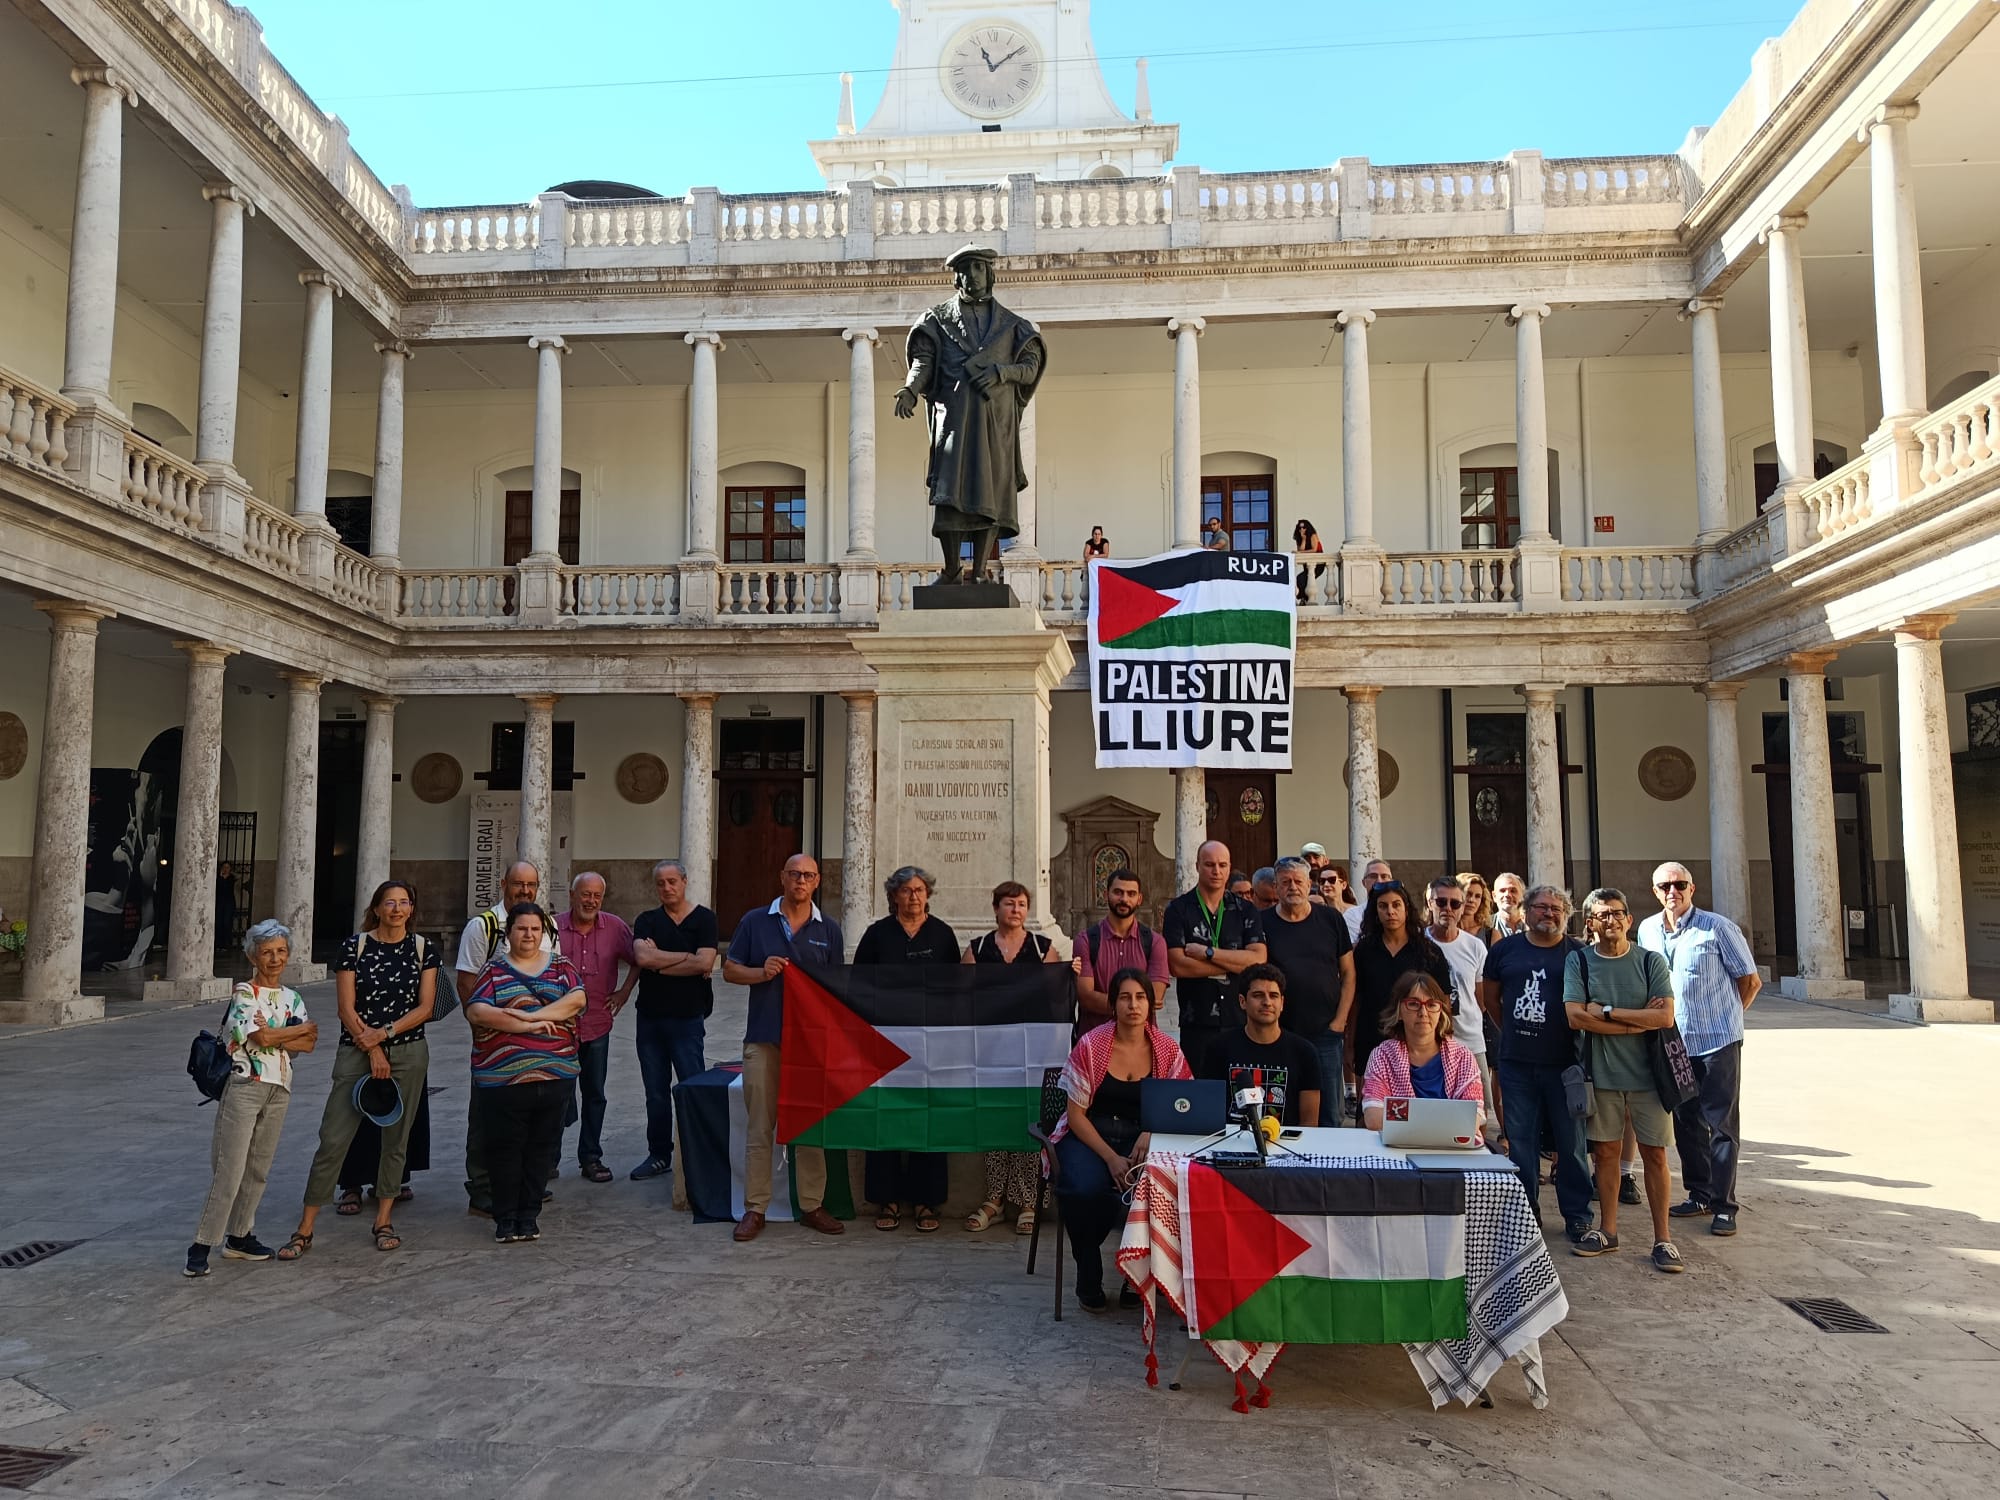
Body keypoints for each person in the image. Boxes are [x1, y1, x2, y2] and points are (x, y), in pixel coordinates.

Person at [277, 881, 439, 1262]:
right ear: (377, 908)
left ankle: (383, 1220)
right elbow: (345, 1008)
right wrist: (371, 1046)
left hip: (408, 1050)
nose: (397, 909)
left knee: (396, 1140)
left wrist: (382, 1036)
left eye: (404, 903)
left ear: (412, 909)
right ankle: (305, 1228)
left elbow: (426, 1007)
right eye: (390, 903)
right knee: (333, 1138)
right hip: (356, 1049)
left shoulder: (422, 949)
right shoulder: (355, 947)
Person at [892, 243, 1047, 584]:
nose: (970, 276)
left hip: (995, 424)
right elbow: (924, 361)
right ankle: (950, 569)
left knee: (989, 494)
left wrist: (1001, 373)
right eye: (963, 270)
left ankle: (978, 572)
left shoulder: (1013, 325)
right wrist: (911, 388)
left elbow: (1030, 366)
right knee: (950, 496)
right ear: (955, 277)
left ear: (990, 273)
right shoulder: (936, 320)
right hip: (954, 423)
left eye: (977, 268)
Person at [1050, 967, 1192, 1313]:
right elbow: (1076, 1115)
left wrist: (1149, 1131)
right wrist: (1112, 1157)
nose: (1133, 1005)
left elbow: (1182, 1106)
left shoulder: (1166, 1049)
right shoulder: (1092, 1045)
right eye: (1125, 998)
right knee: (1083, 1189)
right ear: (1113, 1004)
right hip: (1091, 1134)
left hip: (1144, 1136)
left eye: (1140, 997)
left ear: (1151, 1004)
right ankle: (1088, 1265)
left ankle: (1138, 1273)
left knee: (1160, 1186)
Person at [721, 853, 845, 1242]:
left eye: (808, 875)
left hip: (809, 1046)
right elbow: (729, 969)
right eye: (795, 874)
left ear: (818, 881)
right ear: (782, 878)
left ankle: (812, 1204)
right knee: (760, 1125)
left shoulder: (830, 929)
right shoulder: (755, 921)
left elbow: (836, 989)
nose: (801, 881)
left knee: (809, 1124)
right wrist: (762, 972)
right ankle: (754, 1208)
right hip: (764, 1037)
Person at [185, 920, 317, 1277]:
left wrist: (282, 1035)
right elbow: (258, 1038)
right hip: (245, 1086)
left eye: (280, 951)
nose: (275, 959)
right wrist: (292, 1031)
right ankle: (202, 1244)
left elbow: (309, 1042)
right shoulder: (244, 993)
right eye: (267, 952)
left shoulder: (293, 998)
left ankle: (240, 1236)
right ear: (252, 956)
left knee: (258, 1168)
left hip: (280, 1087)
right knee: (229, 1169)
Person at [1637, 861, 1760, 1238]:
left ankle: (1725, 1205)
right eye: (1664, 886)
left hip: (1717, 1040)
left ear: (1692, 888)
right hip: (1675, 1041)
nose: (1672, 891)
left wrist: (1727, 1017)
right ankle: (1700, 1192)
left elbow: (1750, 980)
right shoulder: (1647, 930)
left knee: (1721, 1124)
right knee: (1686, 1121)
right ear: (1655, 891)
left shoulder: (1718, 928)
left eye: (1679, 884)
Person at [1564, 888, 1682, 1272]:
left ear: (1629, 920)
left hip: (1650, 1078)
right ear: (1590, 923)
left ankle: (1663, 1239)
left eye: (1617, 913)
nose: (1610, 920)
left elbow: (1663, 1019)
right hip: (1602, 1078)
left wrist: (1610, 1013)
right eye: (1601, 915)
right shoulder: (1579, 963)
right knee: (1606, 1155)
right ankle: (1608, 1231)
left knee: (1656, 1155)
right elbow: (1577, 1018)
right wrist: (1635, 1022)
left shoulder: (1650, 962)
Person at [463, 903, 585, 1243]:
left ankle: (529, 1216)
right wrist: (532, 1021)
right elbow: (478, 1012)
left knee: (540, 1151)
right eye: (521, 928)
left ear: (543, 933)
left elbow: (576, 1000)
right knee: (504, 1150)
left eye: (535, 929)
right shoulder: (493, 971)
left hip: (555, 1076)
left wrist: (526, 1017)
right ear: (509, 933)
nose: (528, 934)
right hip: (503, 1081)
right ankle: (506, 1218)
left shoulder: (562, 967)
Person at [1479, 884, 1593, 1241]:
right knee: (1522, 1143)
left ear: (1566, 914)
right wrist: (1517, 1030)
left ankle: (1577, 1214)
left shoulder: (1578, 953)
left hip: (1565, 1065)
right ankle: (1526, 1214)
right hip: (1517, 1063)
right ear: (1526, 912)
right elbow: (1492, 999)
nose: (1548, 913)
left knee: (1571, 1143)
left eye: (1556, 908)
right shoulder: (1505, 950)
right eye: (1541, 907)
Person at [855, 866, 959, 1233]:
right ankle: (888, 1198)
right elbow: (859, 984)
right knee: (886, 1116)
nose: (913, 896)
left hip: (930, 1043)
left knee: (927, 1117)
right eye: (906, 891)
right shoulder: (877, 935)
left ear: (928, 894)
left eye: (919, 890)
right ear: (894, 896)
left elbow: (955, 990)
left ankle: (926, 1201)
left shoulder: (943, 936)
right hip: (884, 1042)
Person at [963, 881, 1063, 1234]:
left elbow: (1056, 996)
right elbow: (963, 998)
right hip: (991, 1051)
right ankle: (994, 1198)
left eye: (1022, 904)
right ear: (996, 908)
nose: (1016, 909)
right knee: (995, 1120)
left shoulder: (1042, 948)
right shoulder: (977, 950)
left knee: (1027, 1121)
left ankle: (1028, 1200)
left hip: (1032, 1053)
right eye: (1009, 903)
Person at [455, 860, 553, 1217]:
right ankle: (482, 1190)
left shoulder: (547, 926)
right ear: (503, 884)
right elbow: (466, 981)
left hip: (534, 1042)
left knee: (528, 1116)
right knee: (486, 1116)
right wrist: (481, 1029)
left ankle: (523, 1184)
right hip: (494, 1041)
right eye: (518, 884)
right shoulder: (482, 927)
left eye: (531, 885)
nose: (525, 891)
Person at [627, 859, 719, 1186]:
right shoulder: (647, 920)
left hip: (688, 1018)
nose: (667, 888)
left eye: (672, 881)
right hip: (650, 1019)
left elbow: (706, 961)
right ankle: (660, 1154)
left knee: (692, 1087)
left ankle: (699, 1151)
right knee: (655, 1092)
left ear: (684, 881)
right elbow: (642, 958)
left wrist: (661, 961)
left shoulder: (704, 919)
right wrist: (686, 958)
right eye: (660, 883)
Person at [1256, 857, 1353, 1125]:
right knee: (1279, 1106)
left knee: (1329, 1113)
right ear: (1275, 886)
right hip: (1280, 1031)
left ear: (1309, 884)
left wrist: (1340, 1021)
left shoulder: (1331, 919)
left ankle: (1329, 1164)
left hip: (1325, 1031)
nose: (1293, 887)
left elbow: (1348, 973)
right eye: (1285, 882)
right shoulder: (1262, 922)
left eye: (1298, 881)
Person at [555, 872, 637, 1184]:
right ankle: (549, 1159)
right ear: (572, 896)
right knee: (557, 1093)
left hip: (598, 1023)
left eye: (596, 896)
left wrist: (625, 991)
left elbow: (637, 958)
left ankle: (590, 1157)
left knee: (595, 1094)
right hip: (560, 1026)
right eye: (585, 894)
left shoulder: (615, 927)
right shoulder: (554, 927)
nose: (590, 901)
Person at [1163, 840, 1267, 1082]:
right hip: (1196, 1021)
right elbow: (1177, 964)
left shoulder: (1245, 910)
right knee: (1201, 1094)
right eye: (1209, 864)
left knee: (1243, 1094)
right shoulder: (1178, 910)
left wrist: (1208, 953)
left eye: (1222, 865)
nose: (1216, 871)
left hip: (1240, 1019)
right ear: (1197, 866)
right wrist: (1234, 963)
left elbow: (1258, 959)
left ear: (1230, 868)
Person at [1348, 878, 1452, 1085]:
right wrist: (1349, 1045)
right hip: (1370, 1037)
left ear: (1407, 909)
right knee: (1370, 1107)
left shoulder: (1429, 952)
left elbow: (1444, 1003)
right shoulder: (1364, 951)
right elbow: (1356, 1000)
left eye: (1396, 905)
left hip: (1417, 1041)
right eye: (1383, 906)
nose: (1390, 912)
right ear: (1375, 912)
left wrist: (1445, 1043)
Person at [1199, 963, 1322, 1127]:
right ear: (1243, 1001)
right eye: (1258, 995)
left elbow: (1309, 1123)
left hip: (1286, 1146)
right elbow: (1208, 1109)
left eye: (1274, 996)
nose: (1267, 1002)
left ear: (1282, 1003)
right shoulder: (1218, 1048)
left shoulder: (1305, 1052)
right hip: (1229, 1144)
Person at [1360, 972, 1485, 1134]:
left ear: (1441, 1011)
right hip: (1396, 1149)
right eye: (1413, 1004)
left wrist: (1402, 1117)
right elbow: (1374, 1118)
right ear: (1399, 1011)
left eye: (1432, 1004)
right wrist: (1446, 1119)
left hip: (1451, 1150)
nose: (1423, 1013)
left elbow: (1472, 1118)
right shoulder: (1382, 1056)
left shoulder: (1463, 1057)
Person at [1426, 876, 1499, 1145]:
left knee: (1479, 1111)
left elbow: (1481, 998)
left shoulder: (1475, 946)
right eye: (1441, 902)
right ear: (1430, 903)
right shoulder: (1419, 944)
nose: (1448, 908)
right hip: (1429, 1041)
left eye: (1454, 903)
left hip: (1469, 1038)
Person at [1071, 867, 1169, 1032]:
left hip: (1140, 1041)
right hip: (1095, 1039)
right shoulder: (1085, 940)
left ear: (1139, 899)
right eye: (1118, 892)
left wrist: (1108, 1002)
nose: (1124, 899)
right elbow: (1086, 998)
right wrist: (1137, 1004)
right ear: (1106, 895)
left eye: (1131, 894)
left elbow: (1155, 997)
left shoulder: (1155, 942)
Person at [1343, 859, 1395, 943]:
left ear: (1391, 881)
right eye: (1373, 876)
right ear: (1364, 883)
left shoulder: (1402, 913)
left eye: (1384, 876)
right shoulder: (1352, 915)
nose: (1379, 881)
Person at [1457, 872, 1496, 948]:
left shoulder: (1491, 935)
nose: (1472, 900)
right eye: (1468, 894)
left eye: (1477, 896)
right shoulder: (1444, 930)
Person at [1292, 518, 1326, 602]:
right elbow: (1301, 550)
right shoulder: (1299, 538)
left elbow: (1314, 550)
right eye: (1300, 528)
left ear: (1308, 528)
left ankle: (1304, 599)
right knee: (1302, 580)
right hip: (1307, 565)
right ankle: (1305, 599)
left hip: (1318, 564)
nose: (1302, 530)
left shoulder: (1313, 535)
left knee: (1302, 579)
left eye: (1304, 528)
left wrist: (1300, 552)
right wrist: (1303, 539)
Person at [1489, 872, 1529, 942]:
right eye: (1502, 891)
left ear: (1523, 895)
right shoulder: (1486, 926)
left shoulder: (1533, 926)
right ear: (1494, 896)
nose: (1507, 895)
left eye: (1513, 891)